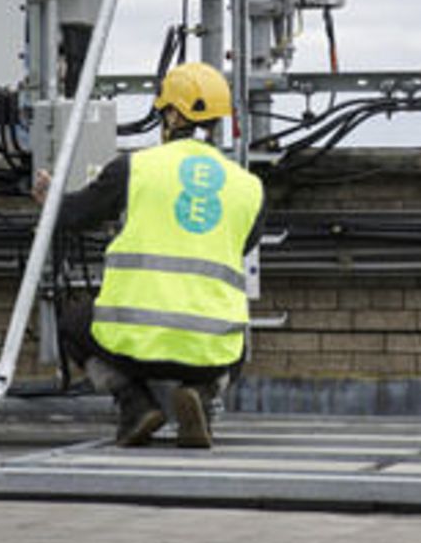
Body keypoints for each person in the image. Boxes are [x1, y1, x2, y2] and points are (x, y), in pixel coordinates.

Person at [33, 61, 264, 449]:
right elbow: (240, 244)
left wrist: (49, 196)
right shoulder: (248, 186)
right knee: (237, 335)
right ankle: (202, 398)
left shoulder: (135, 168)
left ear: (172, 113)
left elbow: (74, 216)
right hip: (210, 351)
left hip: (134, 345)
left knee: (73, 322)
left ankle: (134, 404)